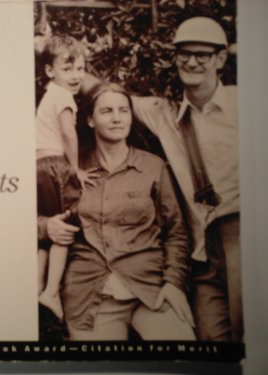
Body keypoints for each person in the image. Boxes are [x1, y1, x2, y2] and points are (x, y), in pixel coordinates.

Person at [127, 17, 242, 342]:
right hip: (202, 257)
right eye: (184, 53)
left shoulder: (245, 105)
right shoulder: (164, 112)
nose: (191, 61)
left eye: (202, 54)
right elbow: (108, 96)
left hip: (242, 242)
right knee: (210, 343)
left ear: (220, 59)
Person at [58, 82, 196, 341]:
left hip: (151, 287)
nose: (117, 118)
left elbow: (177, 232)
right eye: (107, 111)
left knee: (185, 358)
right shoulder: (72, 169)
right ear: (90, 119)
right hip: (91, 296)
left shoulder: (153, 167)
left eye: (124, 111)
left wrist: (174, 283)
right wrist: (47, 226)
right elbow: (37, 219)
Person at [35, 35, 96, 321]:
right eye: (68, 69)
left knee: (50, 227)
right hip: (56, 165)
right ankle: (51, 292)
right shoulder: (63, 97)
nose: (76, 76)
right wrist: (75, 169)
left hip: (39, 165)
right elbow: (69, 135)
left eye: (81, 69)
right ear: (50, 71)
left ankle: (37, 287)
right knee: (68, 222)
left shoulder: (49, 93)